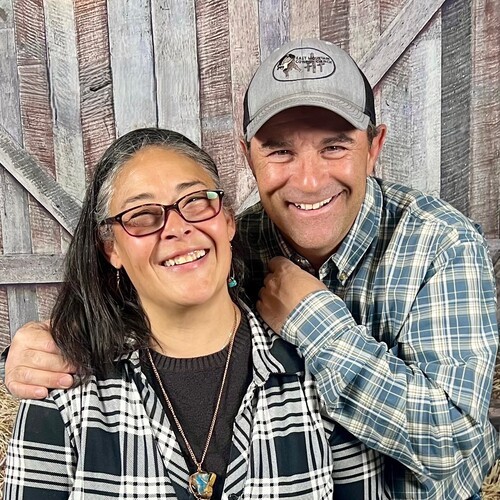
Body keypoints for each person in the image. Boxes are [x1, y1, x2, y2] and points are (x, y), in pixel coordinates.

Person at [3, 39, 499, 499]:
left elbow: (451, 447)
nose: (308, 180)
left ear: (373, 148)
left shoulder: (442, 245)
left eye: (334, 146)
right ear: (248, 157)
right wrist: (29, 351)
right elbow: (148, 292)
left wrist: (313, 322)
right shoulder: (233, 237)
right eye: (280, 150)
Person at [3, 128, 386, 499]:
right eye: (142, 215)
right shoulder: (63, 392)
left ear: (228, 220)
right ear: (112, 249)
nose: (177, 228)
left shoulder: (316, 373)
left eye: (195, 201)